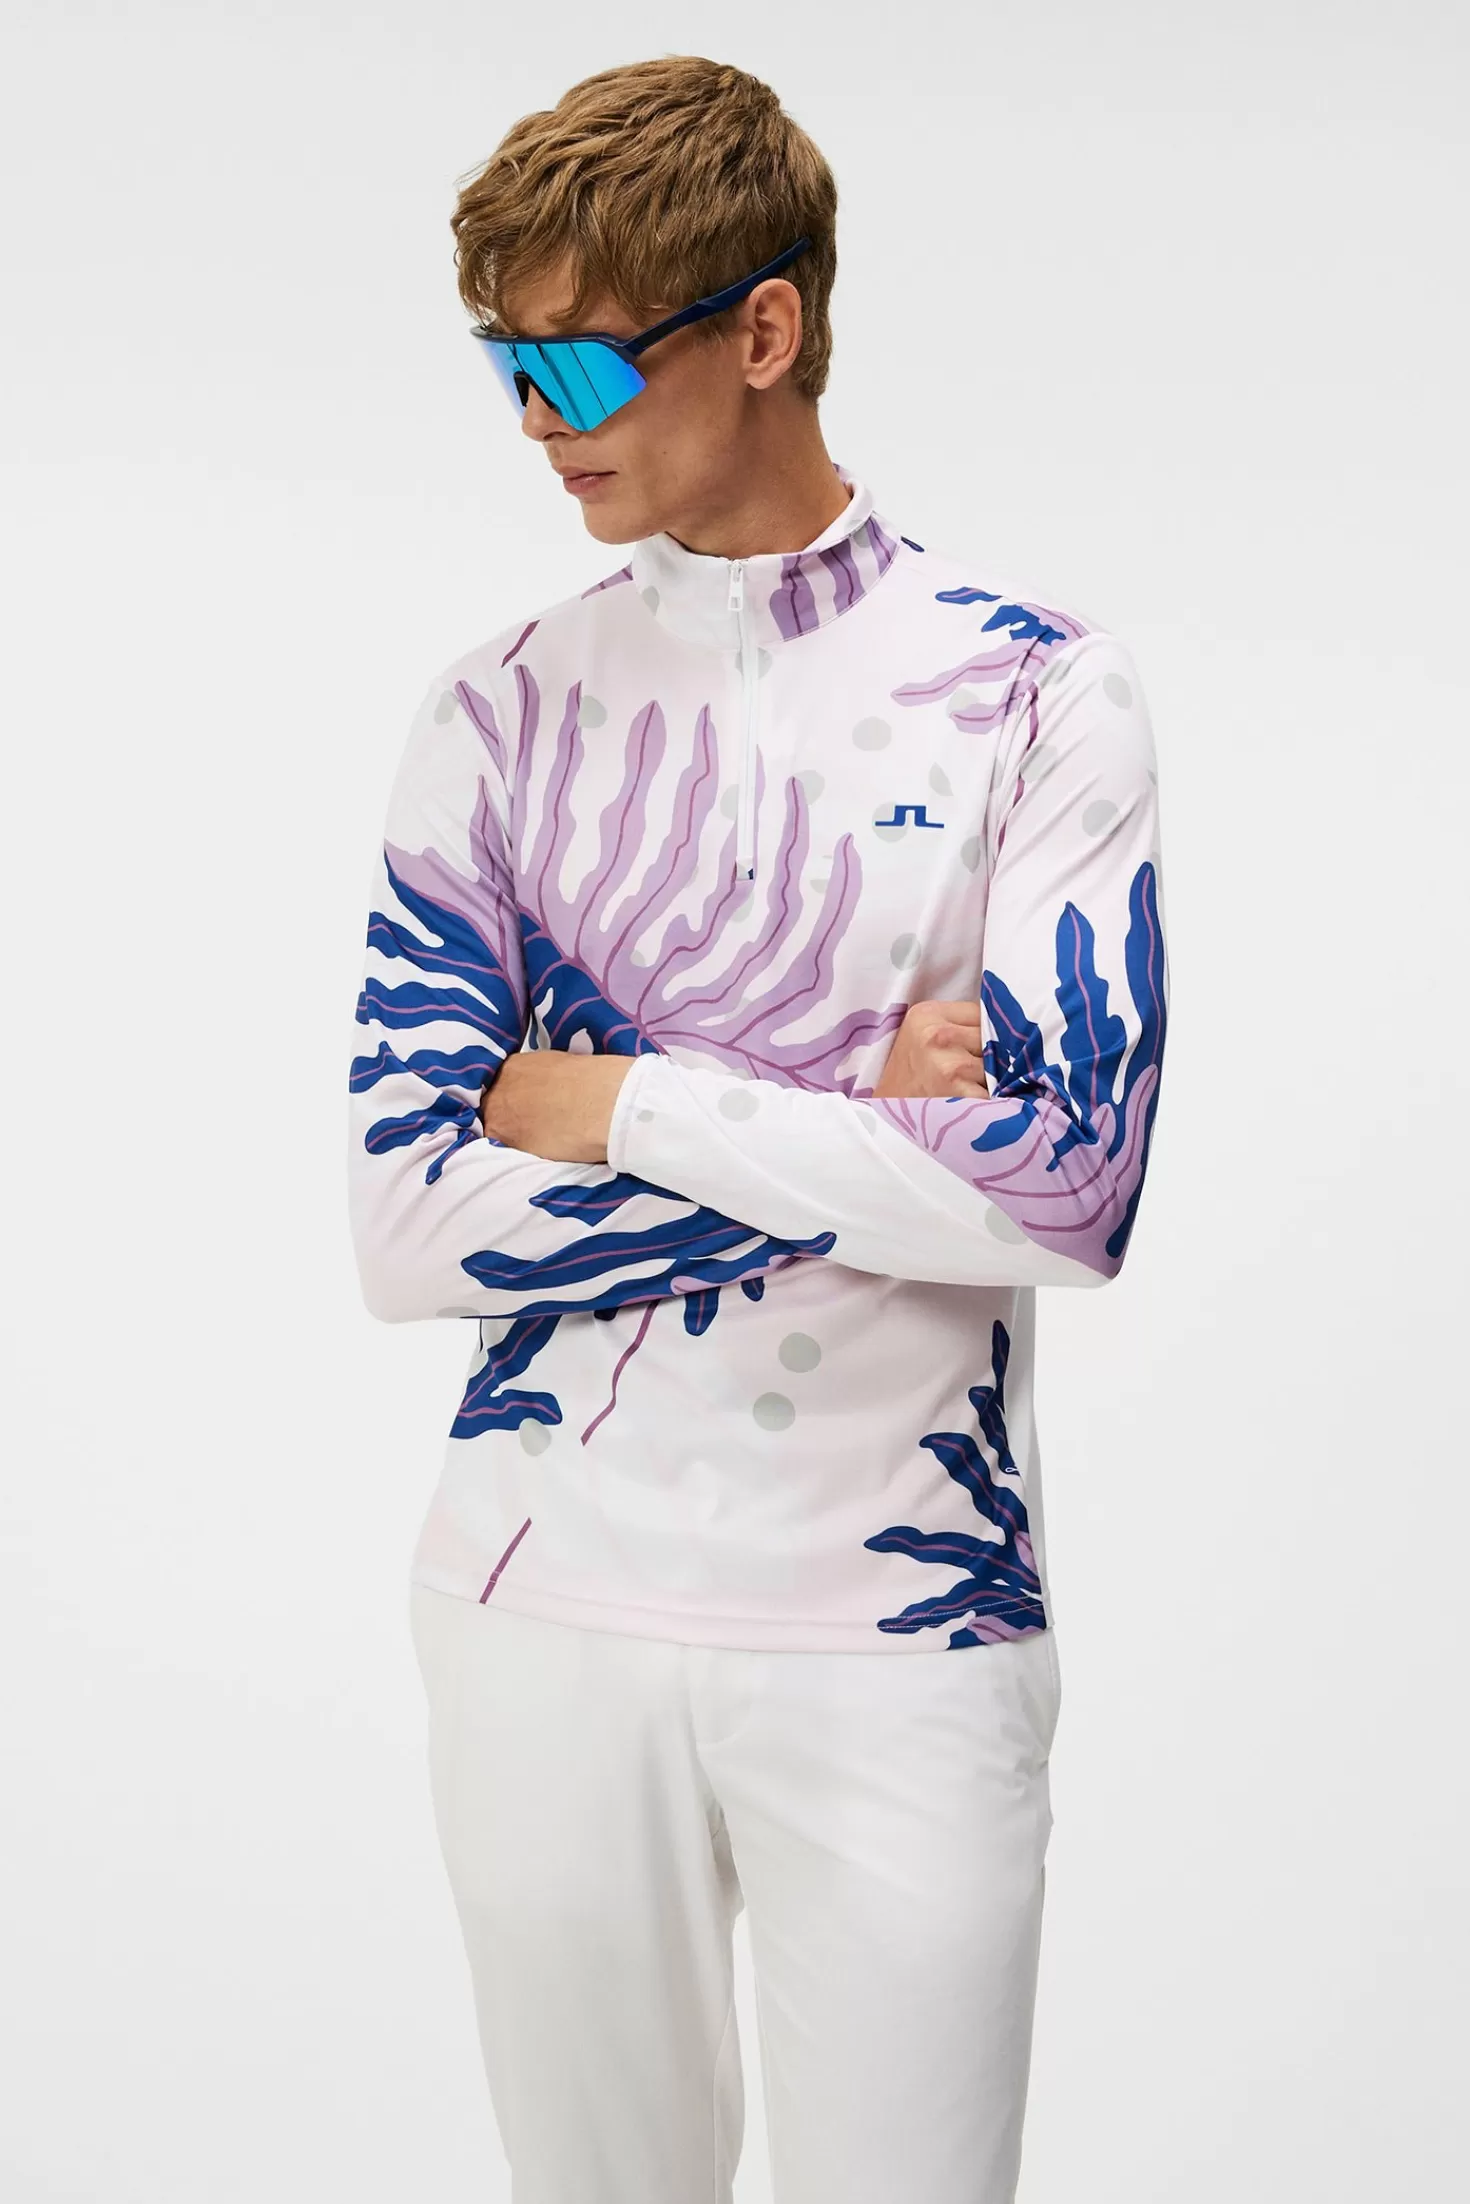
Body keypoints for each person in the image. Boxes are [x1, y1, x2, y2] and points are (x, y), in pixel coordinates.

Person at [346, 52, 1169, 2204]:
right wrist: (866, 1137)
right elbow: (408, 1222)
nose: (536, 417)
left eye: (576, 358)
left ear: (766, 328)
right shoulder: (495, 716)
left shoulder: (1035, 692)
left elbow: (1068, 1192)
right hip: (537, 1600)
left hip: (906, 1629)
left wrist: (614, 1098)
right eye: (502, 362)